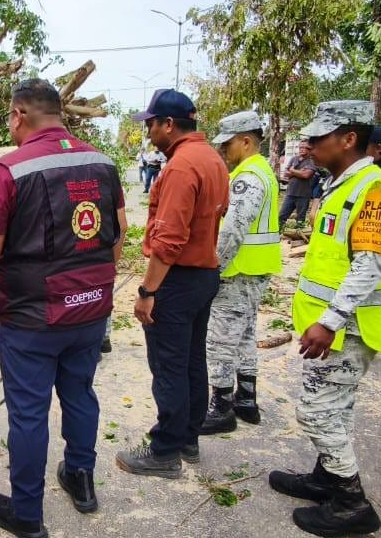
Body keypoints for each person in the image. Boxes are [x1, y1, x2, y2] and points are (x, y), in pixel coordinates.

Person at [0, 79, 126, 538]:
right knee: (80, 395)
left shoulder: (9, 169)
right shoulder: (104, 163)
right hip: (91, 311)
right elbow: (117, 235)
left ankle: (27, 514)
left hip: (33, 318)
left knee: (29, 414)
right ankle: (81, 479)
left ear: (18, 115)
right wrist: (91, 285)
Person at [268, 100, 381, 538]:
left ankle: (350, 502)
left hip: (351, 326)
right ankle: (326, 477)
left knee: (316, 412)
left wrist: (330, 321)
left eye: (319, 138)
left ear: (348, 138)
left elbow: (368, 267)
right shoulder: (344, 185)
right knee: (336, 408)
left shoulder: (373, 189)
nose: (310, 145)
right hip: (339, 323)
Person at [117, 89, 229, 479]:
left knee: (168, 365)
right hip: (203, 276)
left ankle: (164, 451)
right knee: (191, 361)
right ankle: (187, 439)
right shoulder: (212, 158)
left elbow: (169, 240)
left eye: (150, 124)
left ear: (169, 125)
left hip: (178, 280)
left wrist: (148, 292)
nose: (148, 132)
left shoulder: (181, 167)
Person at [200, 111, 281, 435]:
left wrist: (214, 268)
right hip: (256, 269)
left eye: (228, 144)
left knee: (219, 340)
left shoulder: (248, 177)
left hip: (237, 270)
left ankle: (220, 407)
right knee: (246, 334)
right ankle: (246, 398)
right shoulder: (264, 172)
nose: (224, 151)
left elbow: (233, 229)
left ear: (246, 141)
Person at [281, 141, 317, 229]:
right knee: (281, 216)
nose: (302, 149)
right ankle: (279, 233)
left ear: (310, 149)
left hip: (303, 195)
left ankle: (298, 236)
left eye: (305, 147)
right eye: (301, 147)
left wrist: (292, 171)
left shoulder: (312, 161)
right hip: (290, 193)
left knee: (300, 219)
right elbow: (285, 173)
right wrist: (300, 172)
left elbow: (306, 175)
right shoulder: (294, 159)